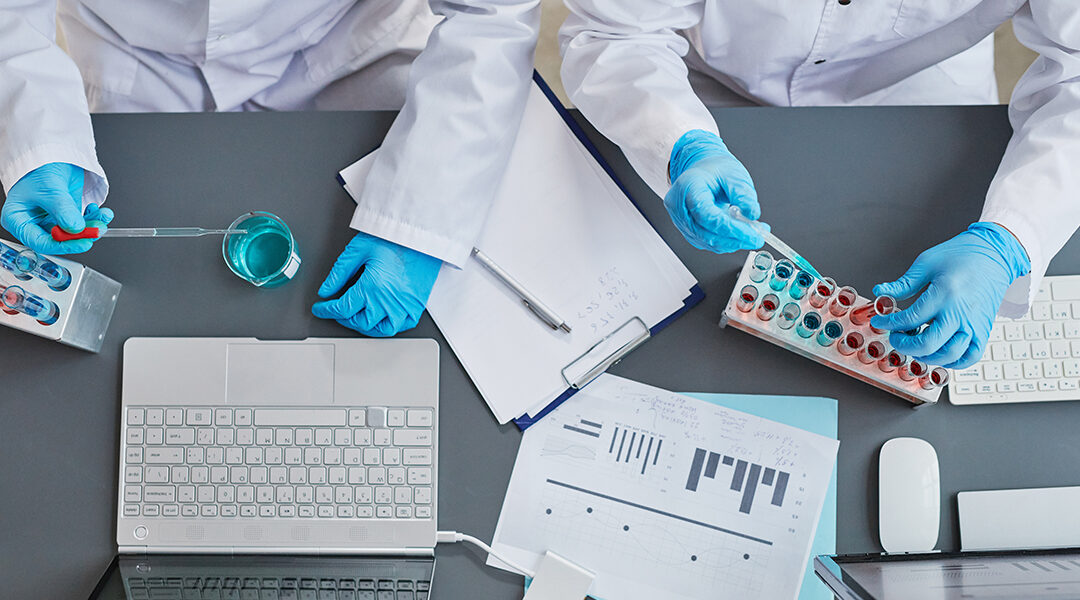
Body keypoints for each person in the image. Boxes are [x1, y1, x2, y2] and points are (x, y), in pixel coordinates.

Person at [559, 1, 1079, 369]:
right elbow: (617, 34)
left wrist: (1010, 237)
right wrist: (679, 143)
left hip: (919, 83)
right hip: (711, 78)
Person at [0, 0, 540, 337]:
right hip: (137, 58)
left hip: (344, 42)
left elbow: (493, 17)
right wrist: (38, 141)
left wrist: (420, 220)